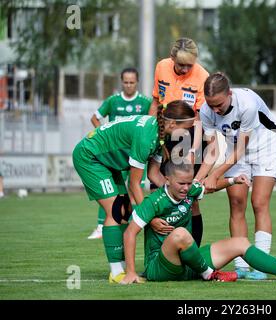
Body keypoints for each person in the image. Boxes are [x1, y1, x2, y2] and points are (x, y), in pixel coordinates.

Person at [72, 100, 196, 283]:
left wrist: (173, 194)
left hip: (107, 162)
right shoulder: (147, 137)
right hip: (90, 157)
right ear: (172, 124)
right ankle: (116, 273)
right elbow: (134, 184)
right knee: (116, 210)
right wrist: (150, 217)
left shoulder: (162, 135)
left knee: (124, 211)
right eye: (186, 128)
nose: (188, 133)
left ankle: (119, 268)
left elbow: (154, 174)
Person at [121, 161, 276, 284]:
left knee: (240, 242)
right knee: (180, 234)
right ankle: (208, 274)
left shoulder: (190, 190)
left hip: (190, 263)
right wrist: (131, 272)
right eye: (181, 183)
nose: (186, 188)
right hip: (160, 268)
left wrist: (233, 180)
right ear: (167, 179)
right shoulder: (153, 201)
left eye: (189, 183)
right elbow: (130, 233)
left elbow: (208, 188)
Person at [196, 72, 276, 280]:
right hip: (234, 149)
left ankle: (261, 266)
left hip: (266, 146)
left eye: (219, 105)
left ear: (229, 94)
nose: (215, 110)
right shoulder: (206, 110)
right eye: (211, 105)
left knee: (259, 202)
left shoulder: (247, 104)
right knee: (236, 202)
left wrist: (216, 174)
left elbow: (242, 148)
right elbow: (213, 150)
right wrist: (200, 178)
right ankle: (241, 264)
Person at [149, 37, 210, 249]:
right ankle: (159, 251)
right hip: (164, 132)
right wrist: (151, 133)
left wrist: (194, 149)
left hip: (189, 136)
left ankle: (193, 253)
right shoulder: (161, 67)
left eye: (189, 65)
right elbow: (156, 102)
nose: (185, 69)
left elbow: (201, 118)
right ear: (172, 57)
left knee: (189, 199)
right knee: (157, 196)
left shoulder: (202, 76)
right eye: (181, 64)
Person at [87, 67, 152, 240]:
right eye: (125, 82)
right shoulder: (113, 101)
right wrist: (104, 137)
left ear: (136, 82)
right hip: (117, 155)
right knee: (109, 189)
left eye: (132, 82)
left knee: (134, 189)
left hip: (137, 154)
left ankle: (134, 224)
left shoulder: (145, 102)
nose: (129, 85)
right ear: (121, 82)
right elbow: (95, 117)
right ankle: (101, 226)